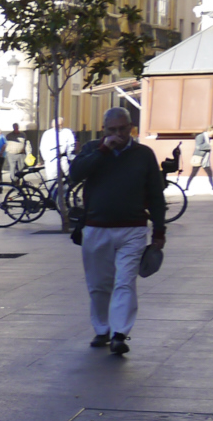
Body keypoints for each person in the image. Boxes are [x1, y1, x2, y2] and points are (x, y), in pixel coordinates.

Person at [67, 106, 166, 356]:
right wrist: (103, 150)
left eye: (123, 129)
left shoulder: (144, 154)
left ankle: (120, 333)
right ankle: (102, 329)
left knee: (125, 281)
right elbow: (75, 174)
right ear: (104, 130)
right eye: (113, 130)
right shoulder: (93, 149)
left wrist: (159, 231)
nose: (119, 134)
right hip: (96, 228)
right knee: (99, 284)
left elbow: (156, 194)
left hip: (133, 228)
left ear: (131, 127)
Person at [190, 126, 213, 191]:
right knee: (193, 173)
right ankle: (186, 188)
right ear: (209, 131)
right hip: (199, 158)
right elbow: (198, 147)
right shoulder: (200, 136)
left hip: (205, 160)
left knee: (210, 173)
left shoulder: (208, 138)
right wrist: (209, 145)